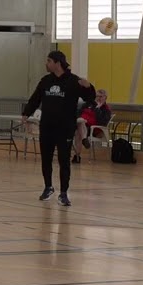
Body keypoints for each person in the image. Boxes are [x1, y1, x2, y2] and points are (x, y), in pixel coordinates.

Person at [22, 50, 96, 207]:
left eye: (49, 61)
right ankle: (48, 187)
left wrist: (89, 87)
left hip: (65, 127)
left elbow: (90, 97)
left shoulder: (73, 81)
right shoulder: (45, 81)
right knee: (46, 159)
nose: (46, 64)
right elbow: (35, 98)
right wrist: (26, 113)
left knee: (64, 160)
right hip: (47, 126)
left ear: (57, 63)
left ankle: (63, 193)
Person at [73, 89, 112, 163]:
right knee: (80, 123)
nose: (98, 98)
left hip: (93, 129)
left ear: (105, 98)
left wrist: (97, 109)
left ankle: (77, 157)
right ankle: (84, 140)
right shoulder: (88, 104)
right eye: (97, 96)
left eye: (101, 96)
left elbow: (102, 122)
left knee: (78, 132)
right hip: (81, 125)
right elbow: (78, 113)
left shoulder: (106, 109)